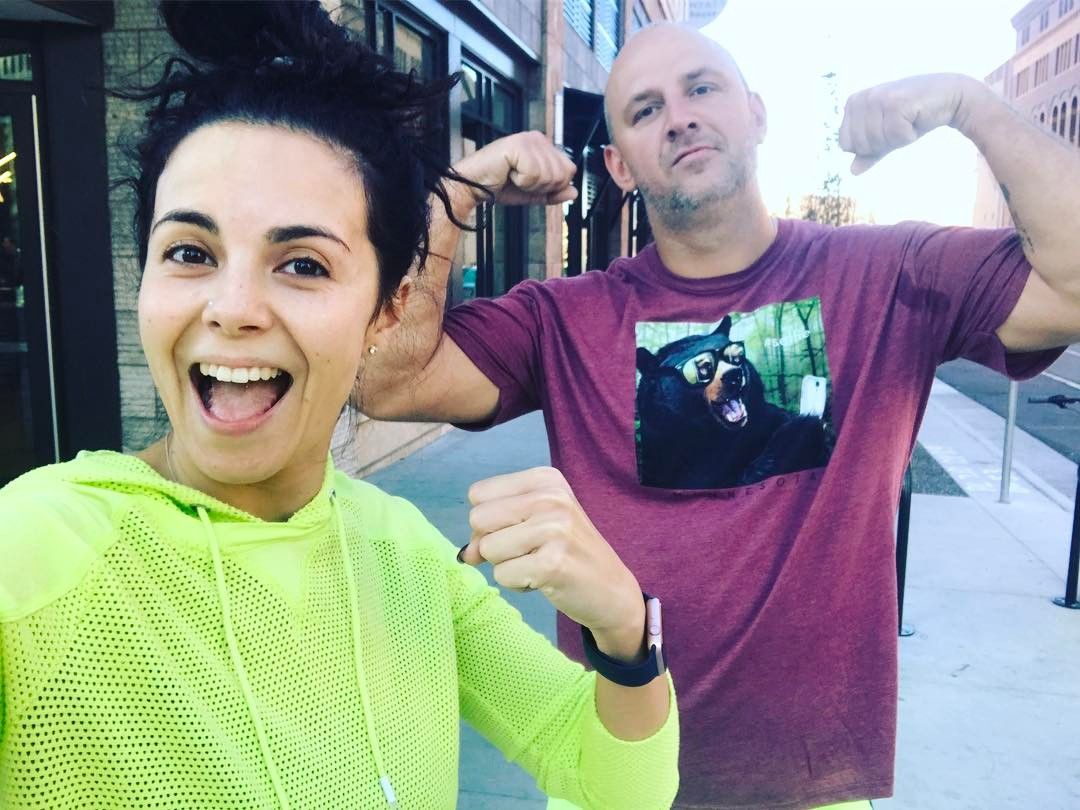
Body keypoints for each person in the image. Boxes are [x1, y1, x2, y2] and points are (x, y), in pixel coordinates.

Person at [356, 21, 1080, 810]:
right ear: (618, 165)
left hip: (811, 785)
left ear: (756, 113)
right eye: (645, 110)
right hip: (617, 773)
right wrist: (457, 192)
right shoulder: (564, 319)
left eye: (702, 88)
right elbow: (385, 380)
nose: (680, 117)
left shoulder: (889, 275)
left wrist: (971, 105)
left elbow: (1069, 288)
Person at [0, 4, 680, 808]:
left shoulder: (407, 556)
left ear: (387, 311)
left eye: (303, 265)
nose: (233, 307)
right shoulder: (34, 552)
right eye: (189, 252)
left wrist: (625, 632)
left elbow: (612, 780)